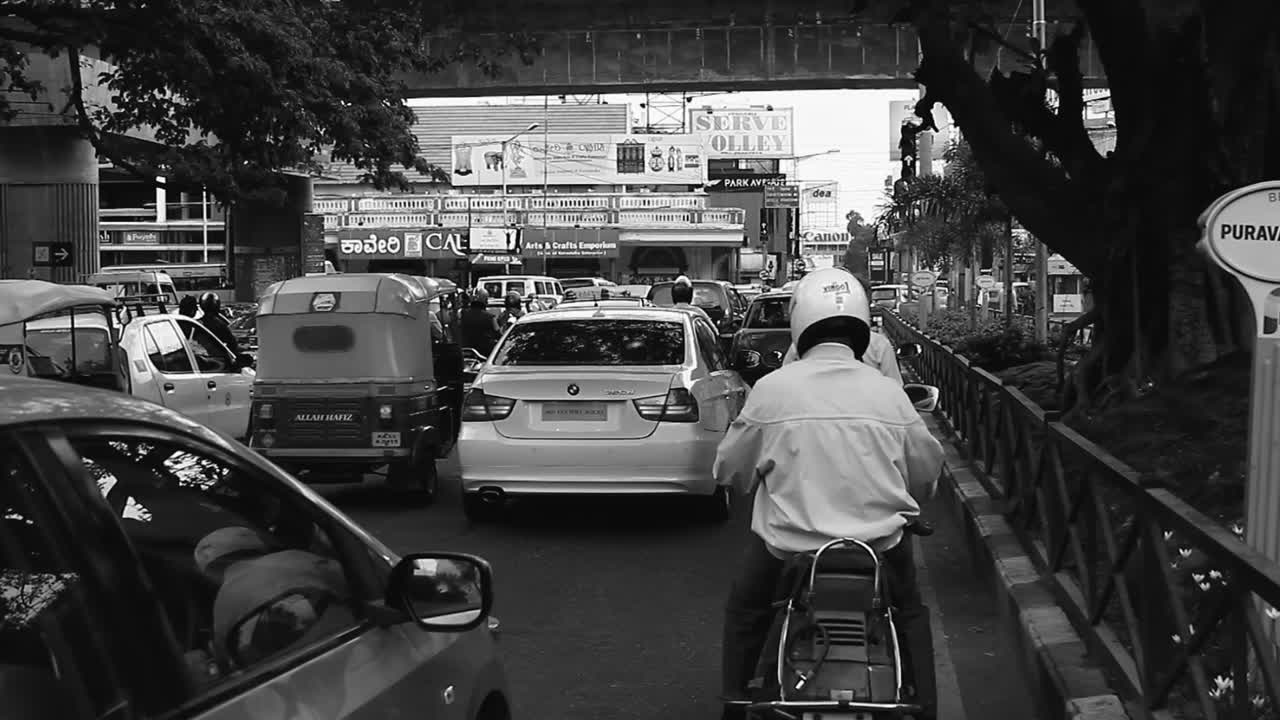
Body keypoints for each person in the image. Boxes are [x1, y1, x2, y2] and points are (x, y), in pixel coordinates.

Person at [713, 266, 945, 720]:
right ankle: (923, 706)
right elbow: (925, 472)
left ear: (801, 325)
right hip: (879, 548)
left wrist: (754, 481)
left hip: (787, 549)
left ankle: (736, 705)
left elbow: (730, 471)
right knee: (911, 613)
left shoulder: (772, 391)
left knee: (746, 612)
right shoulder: (889, 394)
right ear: (861, 325)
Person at [194, 526, 354, 670]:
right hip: (348, 653)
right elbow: (355, 581)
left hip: (289, 679)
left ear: (208, 571)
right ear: (252, 542)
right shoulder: (296, 559)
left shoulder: (220, 608)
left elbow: (227, 661)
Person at [458, 288, 501, 356]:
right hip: (485, 352)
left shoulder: (462, 314)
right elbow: (498, 333)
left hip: (465, 350)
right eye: (486, 299)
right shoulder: (490, 317)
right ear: (485, 300)